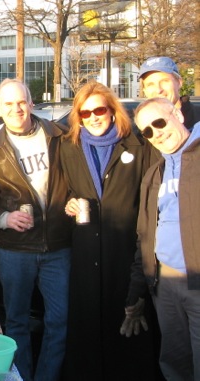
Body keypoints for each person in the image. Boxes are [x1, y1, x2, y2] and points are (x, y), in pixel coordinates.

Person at [0, 79, 72, 381]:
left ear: (32, 102)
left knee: (60, 322)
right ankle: (22, 376)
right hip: (14, 249)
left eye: (21, 102)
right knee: (16, 323)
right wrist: (4, 218)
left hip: (58, 246)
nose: (17, 109)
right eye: (9, 104)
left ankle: (47, 376)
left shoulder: (60, 137)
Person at [59, 81, 159, 380]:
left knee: (129, 326)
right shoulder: (69, 147)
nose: (93, 117)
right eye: (84, 112)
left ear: (113, 111)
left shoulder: (139, 146)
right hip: (87, 253)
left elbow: (151, 204)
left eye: (99, 109)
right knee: (88, 328)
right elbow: (63, 193)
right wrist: (70, 204)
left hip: (127, 252)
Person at [127, 97, 200, 381]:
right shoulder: (155, 173)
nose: (156, 133)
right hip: (165, 283)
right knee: (175, 361)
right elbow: (146, 233)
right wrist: (138, 290)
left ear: (178, 114)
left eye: (160, 122)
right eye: (147, 131)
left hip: (196, 279)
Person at [139, 56, 197, 129]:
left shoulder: (197, 119)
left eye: (164, 81)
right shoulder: (136, 133)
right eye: (150, 84)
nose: (158, 90)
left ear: (179, 82)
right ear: (144, 90)